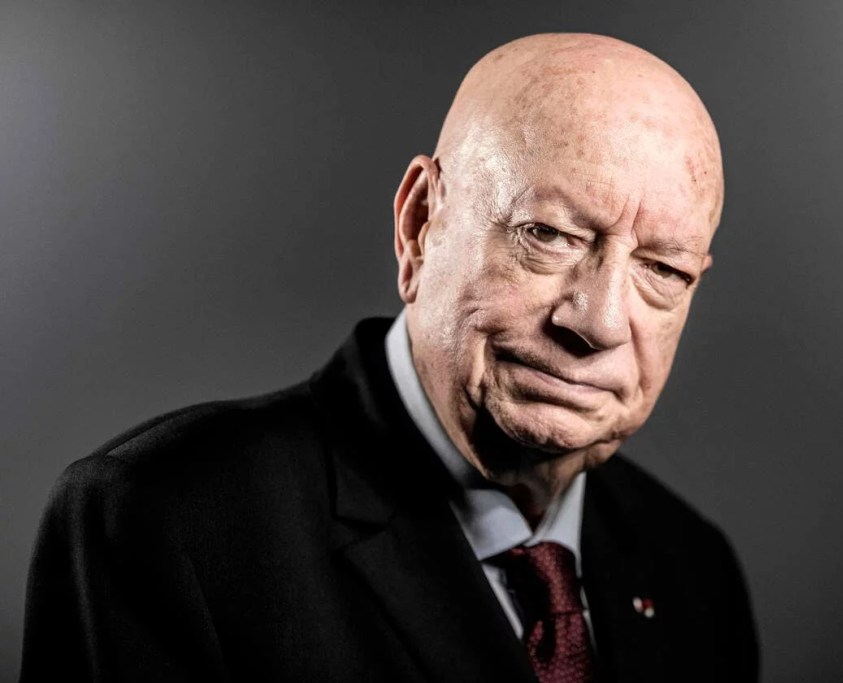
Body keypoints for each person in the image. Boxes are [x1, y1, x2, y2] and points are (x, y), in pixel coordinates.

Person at [20, 32, 758, 682]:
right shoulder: (165, 522)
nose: (597, 322)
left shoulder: (695, 568)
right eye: (548, 235)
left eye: (663, 270)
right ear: (419, 225)